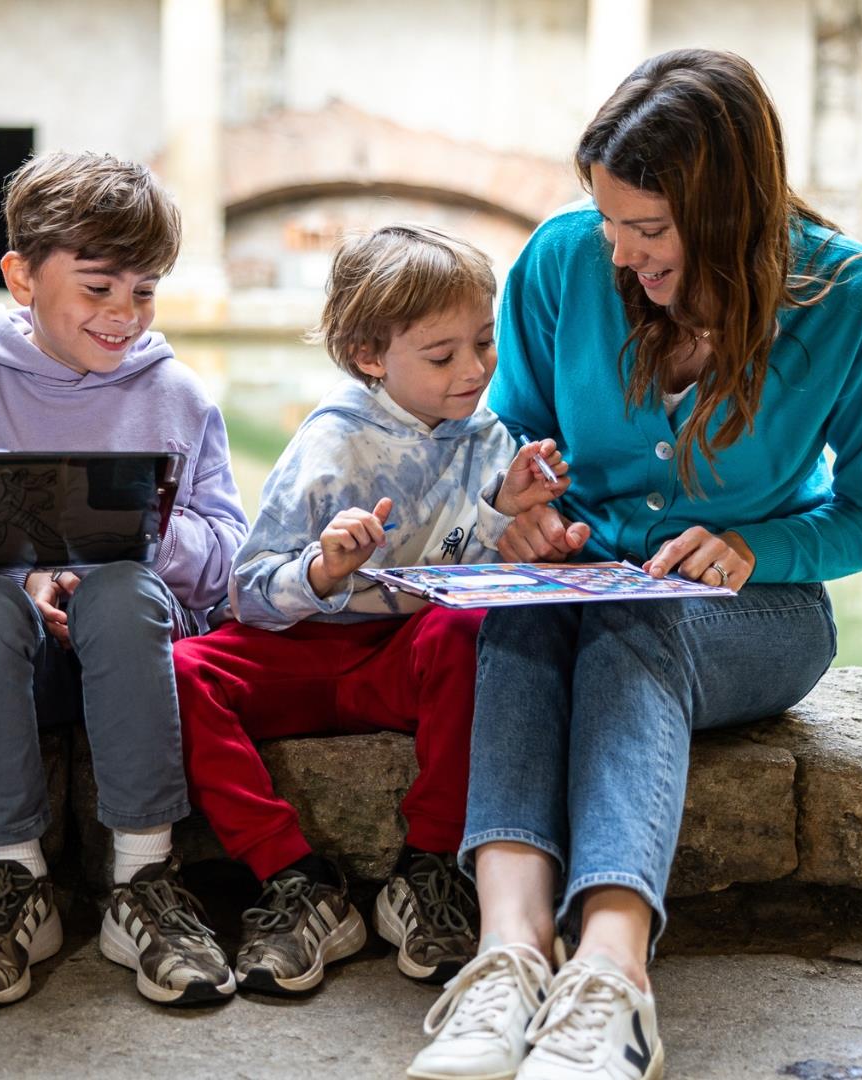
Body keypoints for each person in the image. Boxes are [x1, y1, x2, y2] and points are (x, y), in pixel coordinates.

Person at [408, 49, 862, 1080]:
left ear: (730, 211)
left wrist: (756, 546)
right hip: (583, 582)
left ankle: (613, 973)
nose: (621, 255)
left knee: (634, 625)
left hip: (762, 614)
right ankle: (510, 952)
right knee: (529, 611)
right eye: (610, 223)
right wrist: (523, 503)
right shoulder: (562, 262)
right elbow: (511, 431)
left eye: (649, 232)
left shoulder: (854, 302)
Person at [174, 224, 567, 997]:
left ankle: (427, 871)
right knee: (183, 670)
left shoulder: (490, 438)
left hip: (404, 653)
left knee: (475, 628)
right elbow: (246, 591)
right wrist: (323, 568)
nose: (475, 369)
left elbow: (462, 585)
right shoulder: (331, 443)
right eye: (443, 354)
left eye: (484, 343)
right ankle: (294, 877)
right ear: (371, 357)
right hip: (305, 647)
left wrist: (508, 513)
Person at [0, 151, 249, 1008]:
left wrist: (143, 534)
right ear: (22, 277)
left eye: (144, 292)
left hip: (136, 650)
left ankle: (142, 877)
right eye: (98, 288)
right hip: (16, 660)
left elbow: (229, 557)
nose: (123, 315)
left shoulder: (176, 392)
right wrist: (27, 577)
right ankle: (15, 881)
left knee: (121, 588)